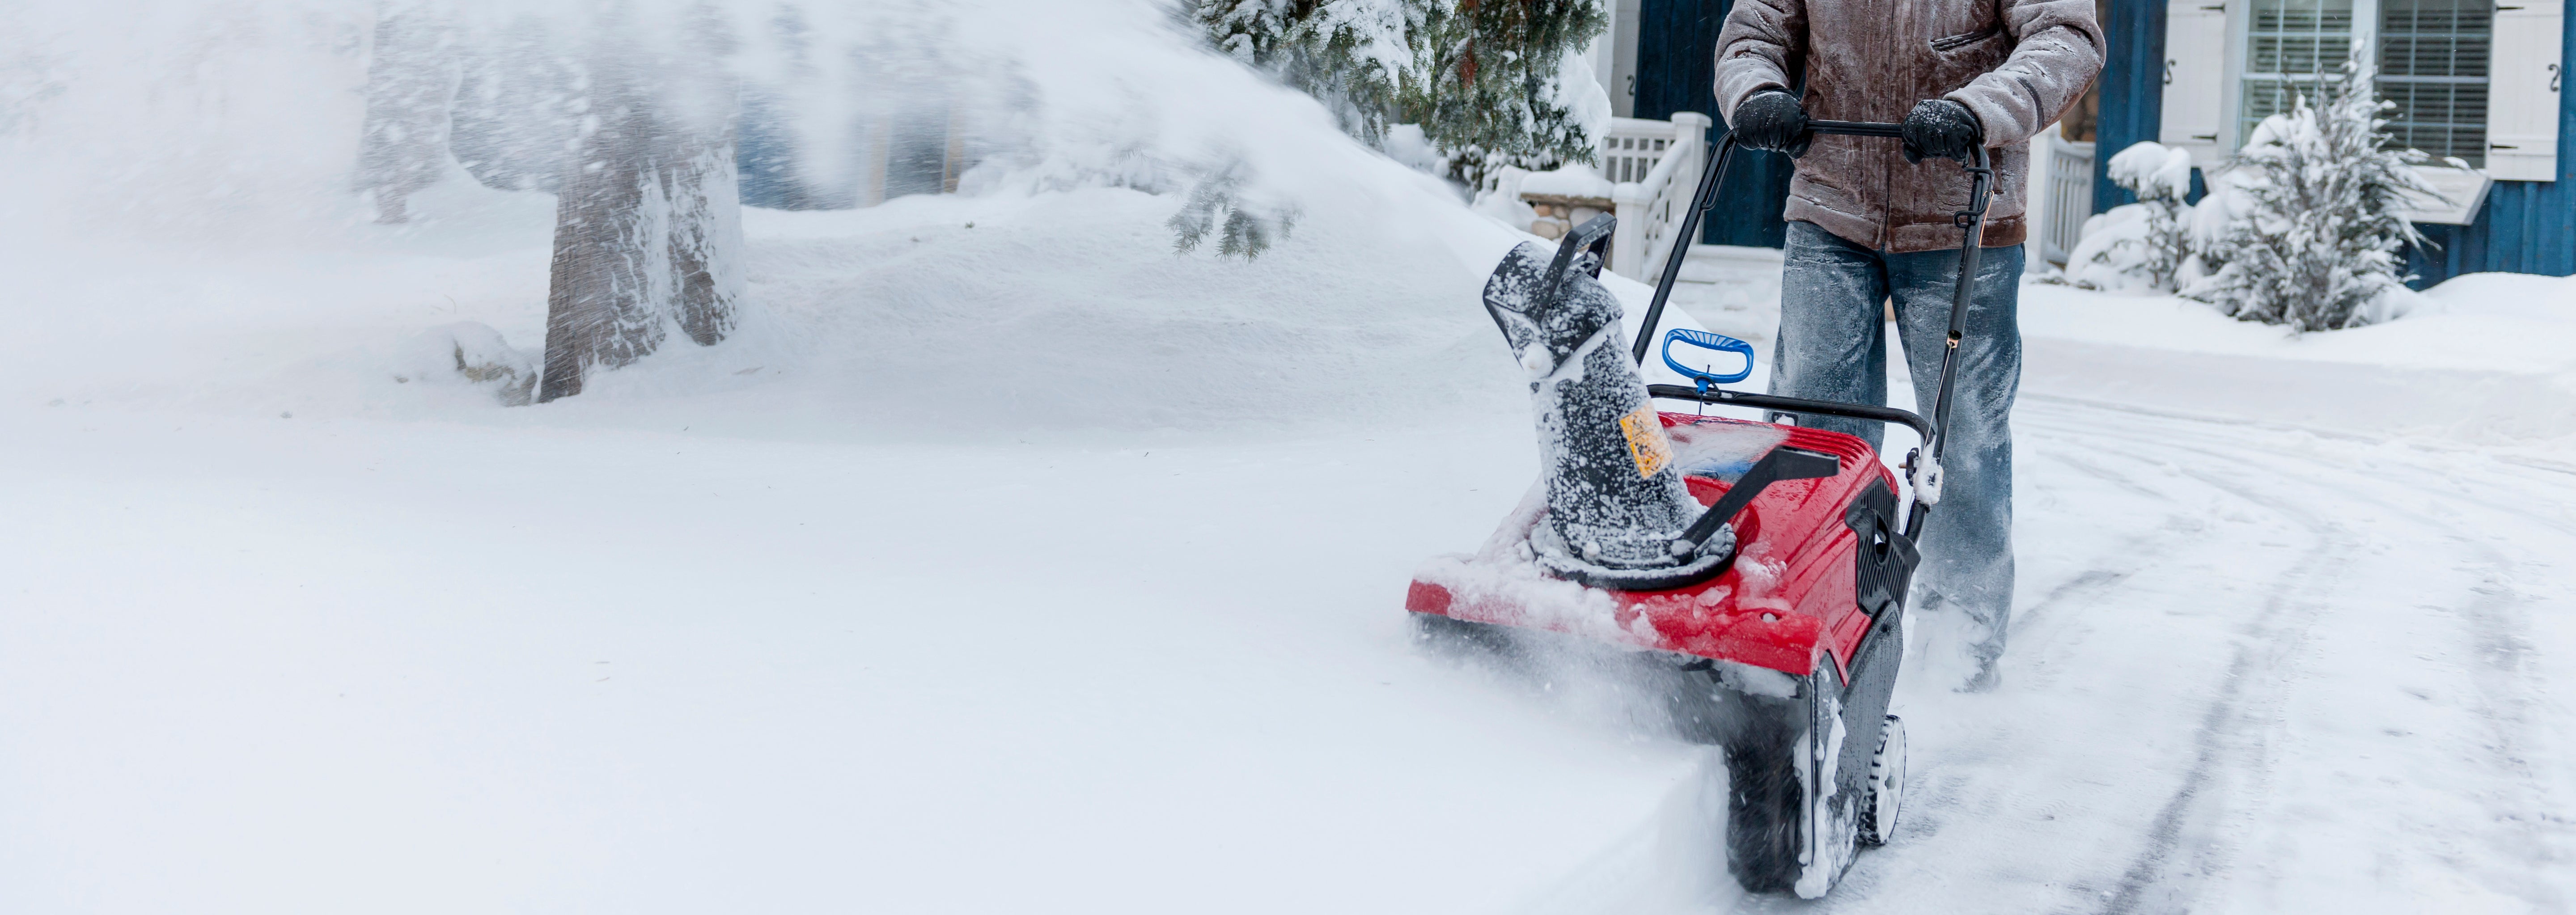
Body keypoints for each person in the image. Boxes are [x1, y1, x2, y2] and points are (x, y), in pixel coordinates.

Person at [1713, 0, 2102, 691]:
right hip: (1830, 204)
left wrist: (1977, 111)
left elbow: (2066, 37)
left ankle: (1959, 651)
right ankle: (1818, 616)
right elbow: (1756, 30)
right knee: (1815, 431)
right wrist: (1758, 91)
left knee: (1967, 442)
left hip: (1966, 217)